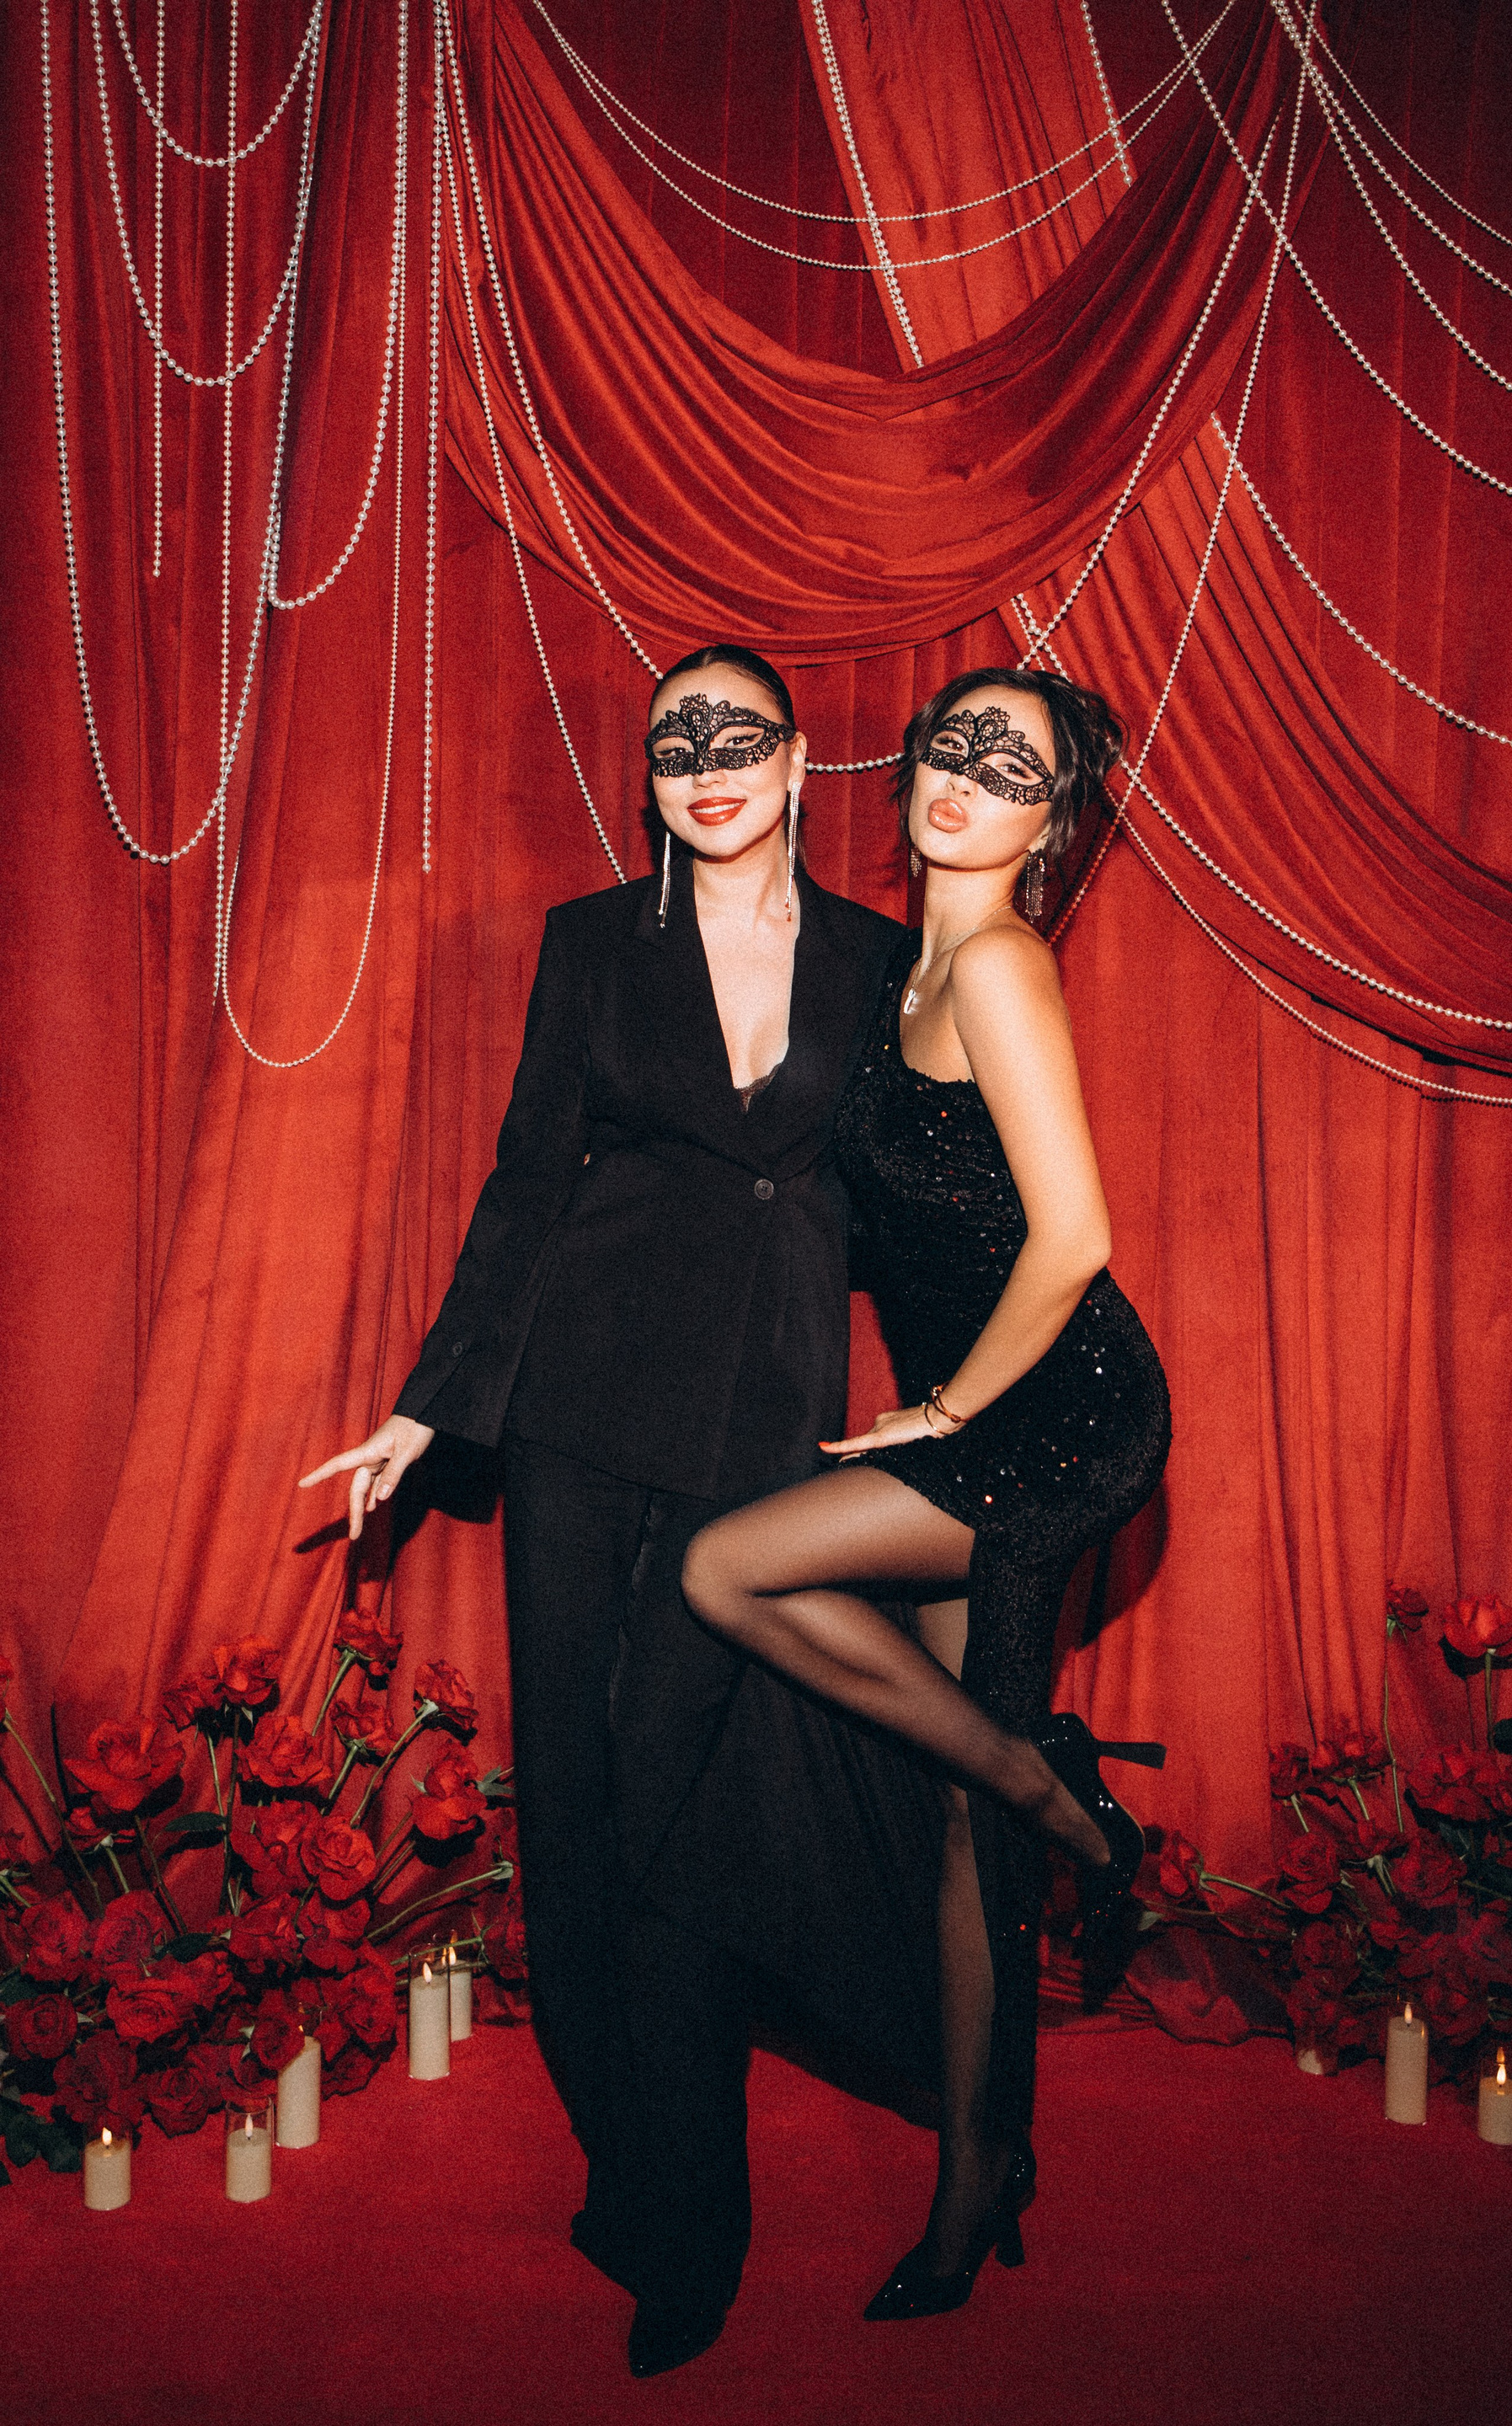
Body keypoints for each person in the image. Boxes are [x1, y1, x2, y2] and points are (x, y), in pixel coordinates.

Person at [300, 645, 942, 2377]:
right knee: (578, 1802)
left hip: (764, 1423)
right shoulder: (592, 944)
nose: (708, 764)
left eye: (741, 738)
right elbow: (527, 1178)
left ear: (799, 766)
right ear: (649, 779)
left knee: (680, 1792)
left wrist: (961, 1401)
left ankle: (693, 2215)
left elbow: (918, 1204)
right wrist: (427, 1403)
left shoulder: (882, 961)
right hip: (580, 1400)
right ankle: (639, 2180)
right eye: (677, 744)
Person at [681, 665, 1173, 2321]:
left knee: (727, 1570)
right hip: (987, 1414)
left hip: (1061, 1417)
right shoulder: (905, 969)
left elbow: (1076, 1237)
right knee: (972, 1811)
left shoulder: (1005, 964)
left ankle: (1051, 1797)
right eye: (951, 748)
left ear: (1054, 824)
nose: (967, 779)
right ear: (901, 778)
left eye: (1011, 769)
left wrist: (946, 1409)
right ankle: (981, 2166)